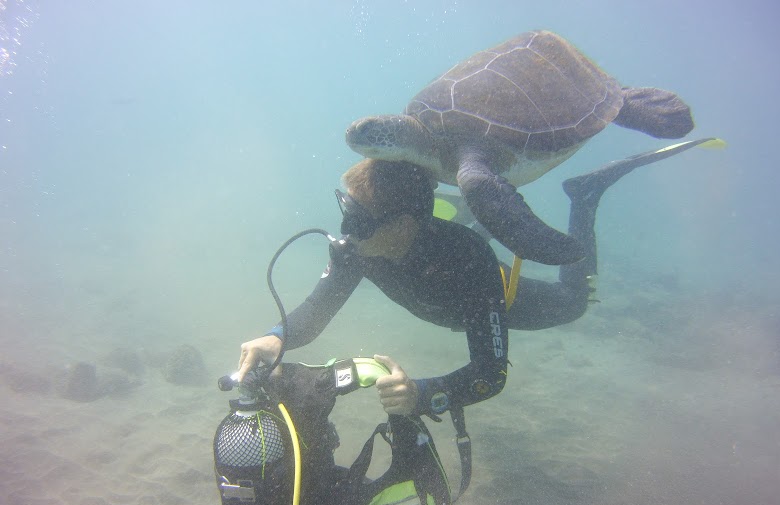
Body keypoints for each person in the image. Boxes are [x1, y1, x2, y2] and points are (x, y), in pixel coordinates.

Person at [236, 139, 717, 418]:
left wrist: (421, 394)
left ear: (402, 225)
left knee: (572, 302)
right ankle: (485, 209)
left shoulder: (468, 261)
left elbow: (489, 376)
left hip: (479, 296)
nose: (345, 232)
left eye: (358, 221)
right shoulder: (356, 250)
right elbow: (314, 316)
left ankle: (583, 197)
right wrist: (275, 338)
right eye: (346, 212)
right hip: (440, 282)